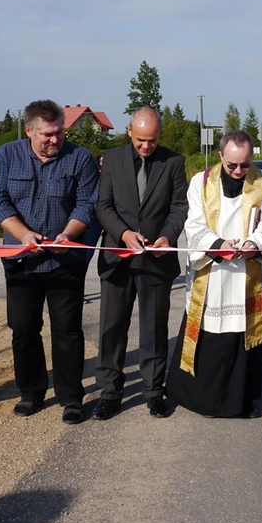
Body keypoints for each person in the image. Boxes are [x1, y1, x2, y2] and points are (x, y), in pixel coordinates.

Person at [0, 99, 99, 425]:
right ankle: (31, 392)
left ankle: (71, 397)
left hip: (67, 261)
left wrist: (68, 235)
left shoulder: (79, 158)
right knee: (23, 329)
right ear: (29, 131)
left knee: (67, 330)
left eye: (59, 133)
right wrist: (22, 235)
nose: (55, 140)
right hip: (21, 261)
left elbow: (87, 204)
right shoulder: (6, 156)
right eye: (47, 134)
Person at [166, 130, 262, 418]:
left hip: (247, 271)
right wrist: (219, 245)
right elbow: (193, 224)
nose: (239, 171)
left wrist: (253, 243)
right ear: (220, 156)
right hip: (213, 273)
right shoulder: (201, 182)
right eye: (232, 165)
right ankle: (202, 400)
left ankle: (242, 401)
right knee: (208, 338)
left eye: (245, 164)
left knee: (244, 340)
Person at [92, 108, 188, 421]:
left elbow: (178, 208)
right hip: (117, 259)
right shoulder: (112, 159)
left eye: (153, 140)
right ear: (129, 130)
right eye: (141, 140)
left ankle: (153, 391)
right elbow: (103, 206)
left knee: (155, 329)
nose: (147, 146)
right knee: (111, 328)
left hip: (157, 260)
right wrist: (122, 233)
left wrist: (167, 236)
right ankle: (110, 392)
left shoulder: (173, 162)